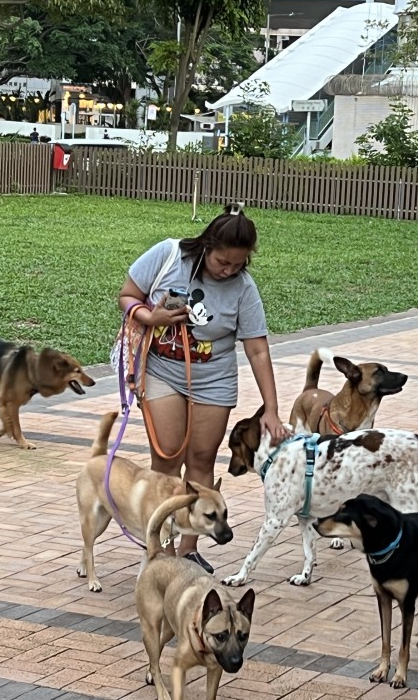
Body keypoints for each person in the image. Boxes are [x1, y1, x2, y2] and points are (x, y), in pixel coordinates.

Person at [117, 203, 288, 572]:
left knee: (200, 461)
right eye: (222, 262)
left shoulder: (243, 287)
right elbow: (127, 295)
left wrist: (271, 409)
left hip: (213, 379)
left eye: (237, 264)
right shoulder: (168, 254)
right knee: (166, 459)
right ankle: (160, 543)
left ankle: (189, 548)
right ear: (206, 246)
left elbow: (257, 348)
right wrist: (150, 316)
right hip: (162, 368)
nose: (228, 270)